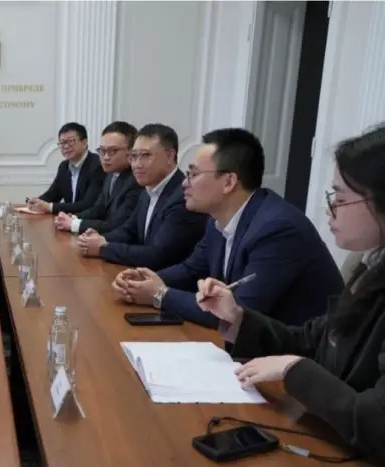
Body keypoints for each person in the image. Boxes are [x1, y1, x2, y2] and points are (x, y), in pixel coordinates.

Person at [196, 124, 385, 463]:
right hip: (332, 437)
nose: (329, 209)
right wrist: (236, 317)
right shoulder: (370, 263)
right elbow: (312, 339)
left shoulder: (279, 226)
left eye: (341, 199)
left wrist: (294, 370)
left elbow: (376, 423)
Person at [113, 128, 343, 327]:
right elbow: (192, 270)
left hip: (296, 355)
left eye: (193, 174)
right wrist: (142, 281)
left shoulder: (278, 229)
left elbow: (238, 312)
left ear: (229, 182)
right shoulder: (218, 220)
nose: (184, 183)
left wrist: (160, 294)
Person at [76, 123, 207, 269]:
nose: (137, 165)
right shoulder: (148, 188)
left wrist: (103, 248)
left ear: (170, 156)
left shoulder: (183, 197)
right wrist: (100, 239)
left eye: (145, 155)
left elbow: (158, 255)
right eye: (133, 156)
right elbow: (129, 230)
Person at [54, 121, 142, 234]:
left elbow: (117, 225)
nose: (105, 157)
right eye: (102, 150)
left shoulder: (136, 180)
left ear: (131, 151)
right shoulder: (111, 173)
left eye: (112, 151)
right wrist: (74, 217)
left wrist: (74, 224)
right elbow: (98, 208)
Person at [27, 122, 106, 215]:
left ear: (84, 143)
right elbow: (52, 195)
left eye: (71, 141)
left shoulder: (97, 165)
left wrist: (50, 207)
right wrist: (36, 201)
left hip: (88, 221)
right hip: (68, 220)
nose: (66, 146)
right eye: (62, 142)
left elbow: (87, 204)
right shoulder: (64, 166)